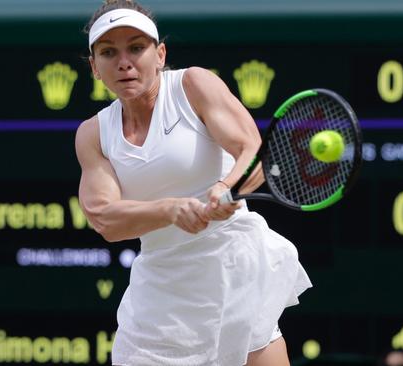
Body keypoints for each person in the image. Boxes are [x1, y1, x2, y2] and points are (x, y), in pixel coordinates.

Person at [75, 1, 312, 364]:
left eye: (136, 47)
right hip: (160, 292)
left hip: (234, 267)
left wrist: (226, 186)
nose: (124, 62)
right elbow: (105, 218)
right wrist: (170, 209)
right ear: (94, 67)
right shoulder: (93, 134)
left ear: (160, 54)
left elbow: (251, 150)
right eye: (109, 52)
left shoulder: (194, 84)